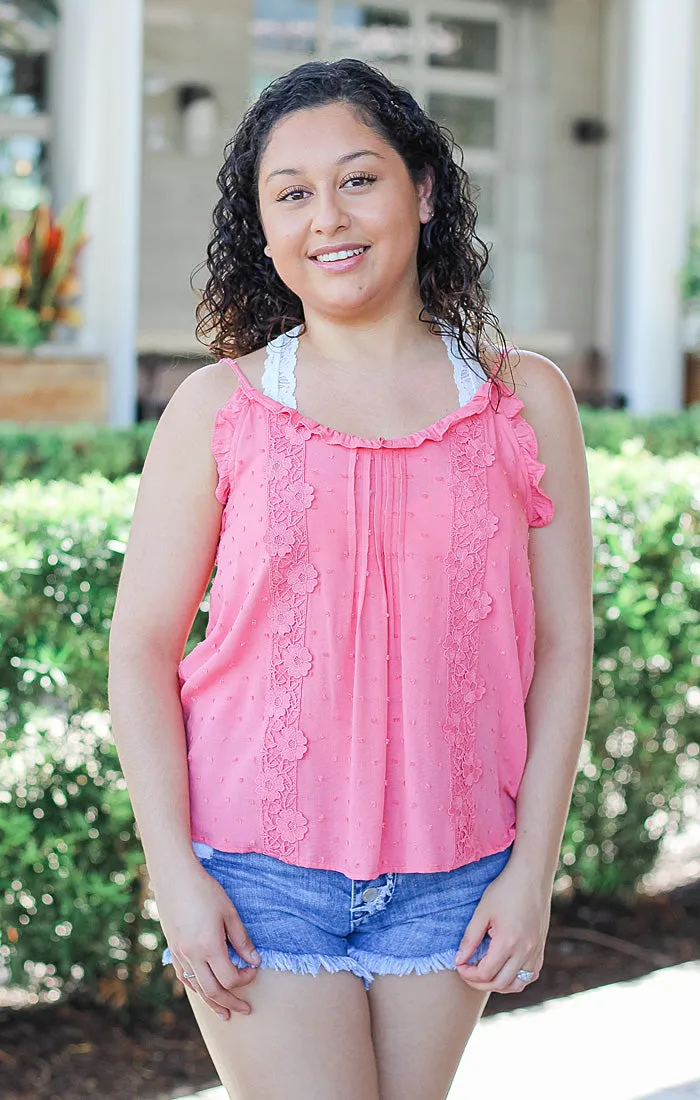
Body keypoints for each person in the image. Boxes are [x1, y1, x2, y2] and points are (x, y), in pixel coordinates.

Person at [108, 57, 593, 1100]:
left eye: (358, 178)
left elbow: (562, 648)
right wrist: (176, 880)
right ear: (265, 226)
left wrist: (530, 873)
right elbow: (141, 651)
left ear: (423, 189)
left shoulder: (526, 400)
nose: (326, 215)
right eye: (290, 193)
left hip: (458, 871)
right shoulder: (216, 409)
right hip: (252, 871)